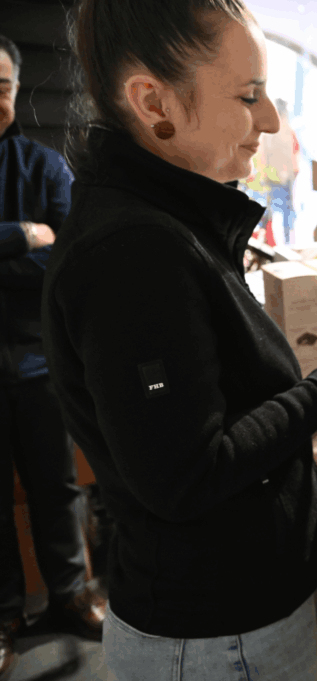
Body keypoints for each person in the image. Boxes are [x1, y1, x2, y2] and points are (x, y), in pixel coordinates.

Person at [43, 1, 317, 678]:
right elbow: (187, 474)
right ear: (154, 102)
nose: (272, 119)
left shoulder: (172, 221)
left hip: (234, 622)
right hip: (214, 641)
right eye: (248, 96)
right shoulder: (133, 253)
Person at [0, 32, 104, 680]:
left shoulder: (44, 168)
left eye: (2, 88)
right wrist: (18, 237)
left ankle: (68, 593)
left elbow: (70, 259)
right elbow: (39, 250)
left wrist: (29, 255)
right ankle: (6, 613)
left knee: (56, 486)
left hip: (39, 359)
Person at [264, 98, 300, 244]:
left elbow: (264, 153)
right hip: (281, 177)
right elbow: (295, 153)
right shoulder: (285, 131)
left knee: (277, 211)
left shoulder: (272, 131)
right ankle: (282, 241)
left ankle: (277, 241)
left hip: (275, 176)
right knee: (283, 211)